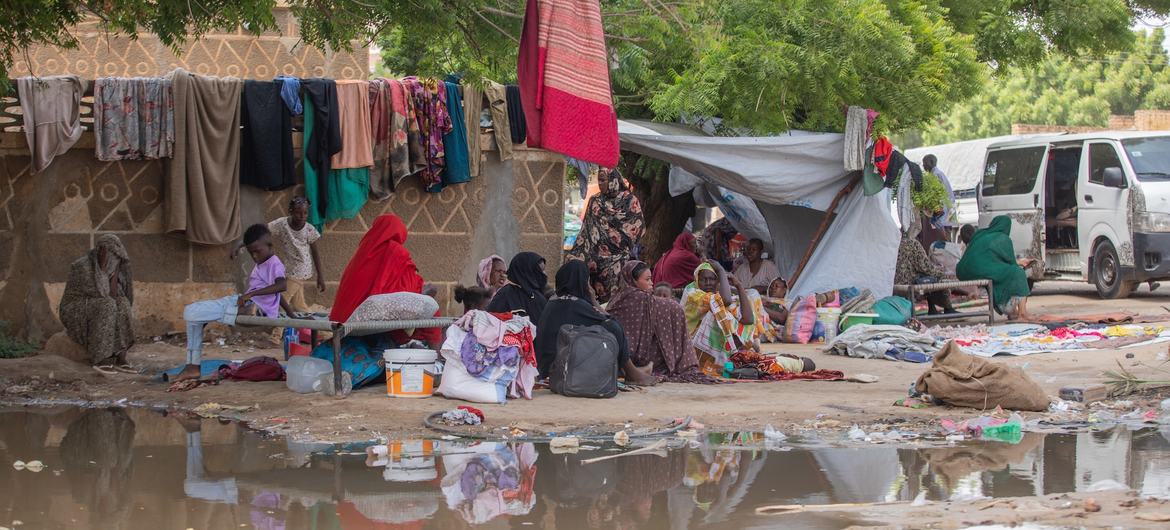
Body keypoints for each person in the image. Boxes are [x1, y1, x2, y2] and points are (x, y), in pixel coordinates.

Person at [177, 224, 287, 381]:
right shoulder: (263, 262)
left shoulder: (274, 263)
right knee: (193, 317)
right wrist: (290, 313)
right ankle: (192, 367)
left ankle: (192, 366)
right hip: (244, 301)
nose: (254, 256)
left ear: (269, 246)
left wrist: (252, 295)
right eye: (251, 253)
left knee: (191, 312)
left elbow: (282, 286)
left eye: (257, 251)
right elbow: (276, 293)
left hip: (253, 305)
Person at [534, 260, 656, 385]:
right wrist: (593, 300)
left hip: (547, 363)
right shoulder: (573, 303)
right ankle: (632, 373)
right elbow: (609, 319)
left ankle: (630, 371)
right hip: (556, 366)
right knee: (613, 327)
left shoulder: (557, 301)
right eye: (587, 280)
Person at [329, 213, 439, 346]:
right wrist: (422, 291)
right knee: (431, 307)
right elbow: (404, 288)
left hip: (339, 318)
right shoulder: (396, 251)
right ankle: (437, 354)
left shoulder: (364, 249)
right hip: (363, 318)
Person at [608, 261, 715, 383]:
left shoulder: (616, 297)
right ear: (633, 280)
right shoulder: (639, 298)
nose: (651, 283)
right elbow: (671, 306)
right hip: (632, 356)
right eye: (647, 279)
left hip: (614, 355)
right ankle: (635, 370)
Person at [59, 234, 135, 373]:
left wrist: (115, 273)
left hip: (99, 303)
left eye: (117, 256)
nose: (113, 259)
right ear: (100, 251)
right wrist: (106, 272)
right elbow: (101, 294)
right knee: (107, 305)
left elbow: (116, 295)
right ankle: (102, 358)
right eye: (110, 254)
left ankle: (120, 356)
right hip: (75, 307)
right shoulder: (83, 266)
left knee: (123, 303)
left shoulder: (114, 269)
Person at [234, 197, 324, 314]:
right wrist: (240, 245)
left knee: (282, 302)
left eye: (305, 213)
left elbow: (315, 253)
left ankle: (277, 332)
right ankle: (322, 330)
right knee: (299, 306)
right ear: (290, 211)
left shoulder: (309, 230)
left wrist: (320, 276)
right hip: (289, 269)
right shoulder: (282, 224)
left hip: (301, 270)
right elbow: (260, 233)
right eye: (298, 213)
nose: (302, 216)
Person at [570, 168, 644, 301]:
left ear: (613, 180)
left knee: (616, 301)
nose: (600, 183)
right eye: (599, 180)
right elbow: (586, 229)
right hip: (595, 264)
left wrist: (614, 243)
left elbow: (636, 228)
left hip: (618, 261)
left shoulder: (630, 201)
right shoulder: (595, 201)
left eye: (603, 180)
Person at [956, 215, 1033, 320]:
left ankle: (1013, 312)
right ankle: (1022, 313)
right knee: (1018, 272)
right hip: (980, 269)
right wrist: (1021, 263)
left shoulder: (980, 234)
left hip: (962, 270)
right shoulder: (1003, 238)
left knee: (998, 275)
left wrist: (1017, 262)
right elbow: (1011, 263)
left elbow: (991, 259)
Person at [683, 261, 757, 365]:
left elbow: (748, 320)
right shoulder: (692, 293)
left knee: (727, 313)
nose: (708, 282)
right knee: (716, 313)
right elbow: (725, 301)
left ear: (718, 281)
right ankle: (725, 357)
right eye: (704, 279)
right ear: (697, 280)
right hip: (691, 346)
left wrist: (739, 286)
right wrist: (721, 270)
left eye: (712, 279)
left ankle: (728, 356)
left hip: (713, 348)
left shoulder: (717, 295)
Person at [896, 216, 956, 314]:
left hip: (895, 282)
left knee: (928, 276)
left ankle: (932, 309)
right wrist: (941, 271)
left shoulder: (895, 242)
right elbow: (925, 267)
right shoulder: (912, 244)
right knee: (938, 277)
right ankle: (948, 308)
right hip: (909, 283)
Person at [486, 252, 549, 323]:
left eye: (544, 270)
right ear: (527, 271)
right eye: (540, 270)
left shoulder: (539, 297)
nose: (544, 274)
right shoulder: (504, 295)